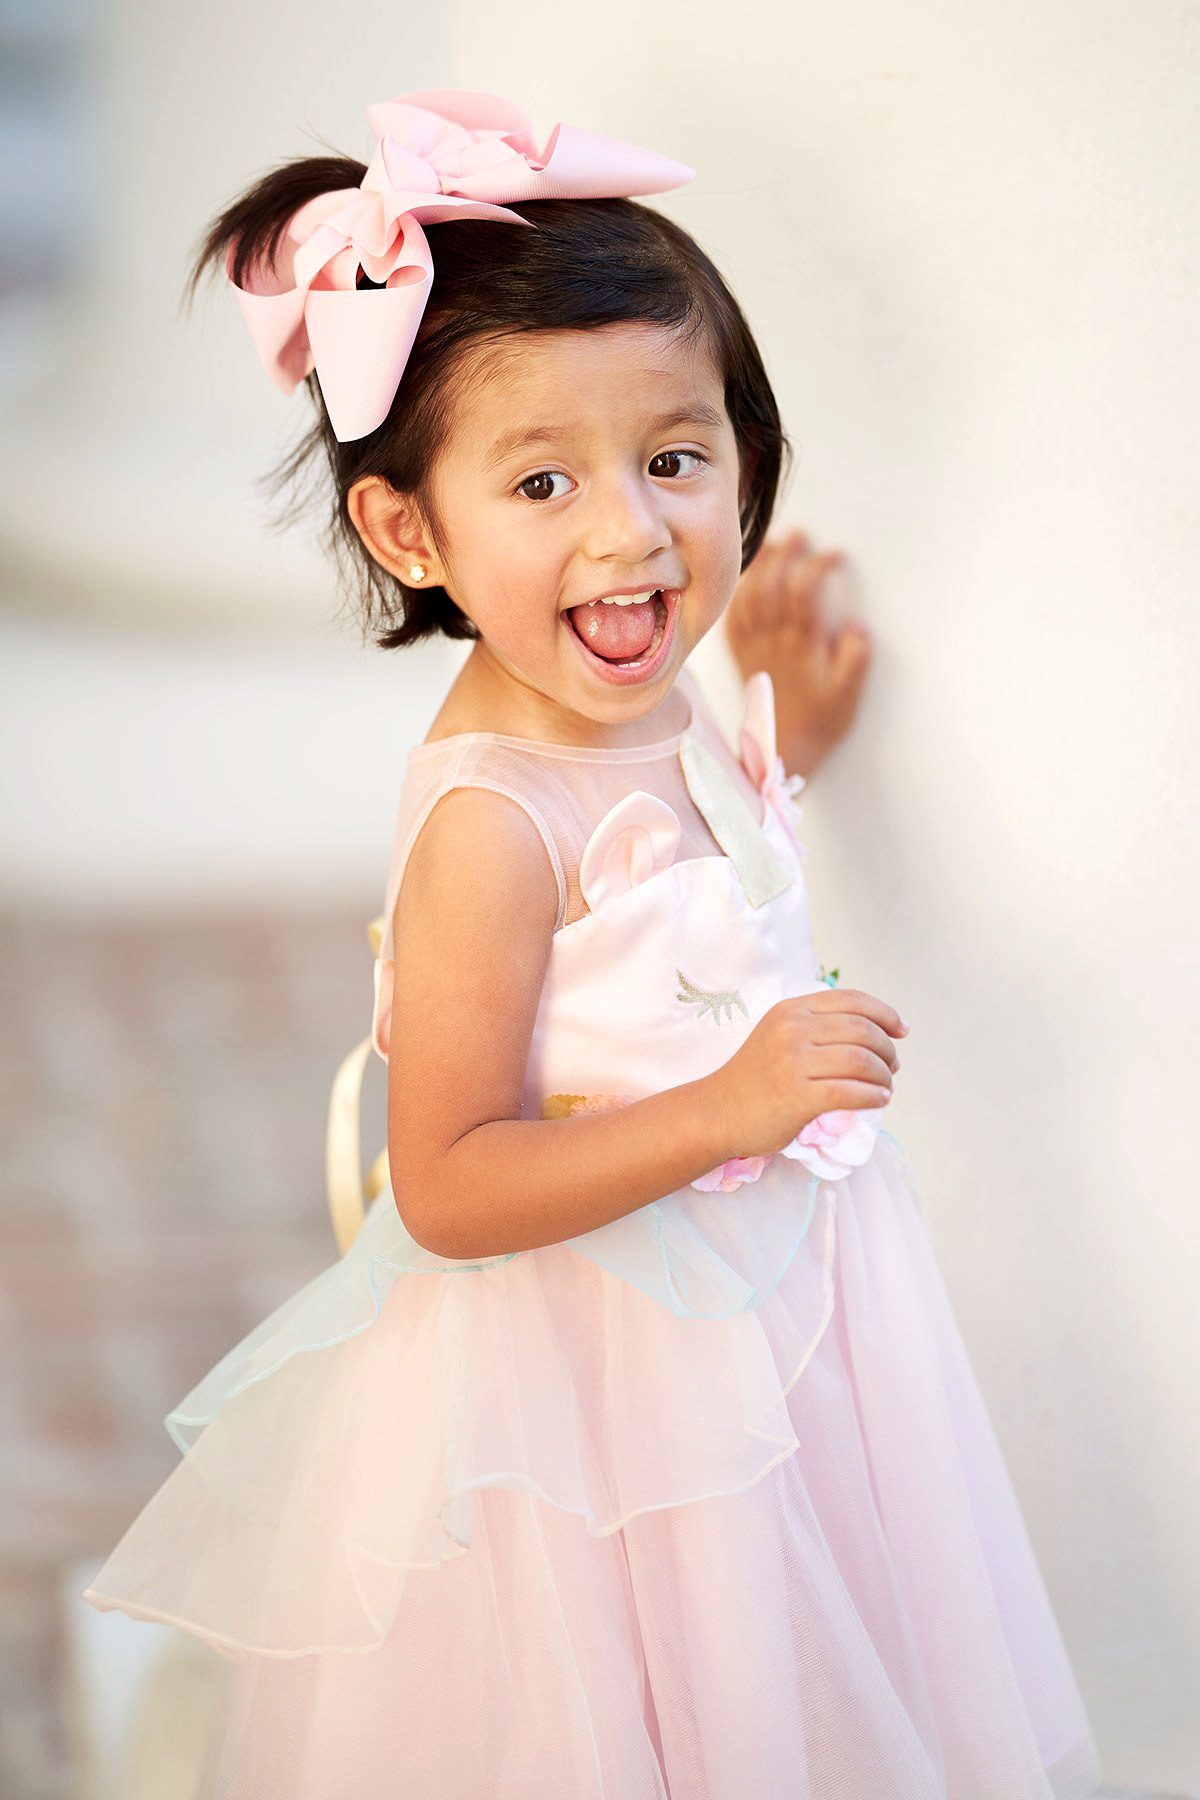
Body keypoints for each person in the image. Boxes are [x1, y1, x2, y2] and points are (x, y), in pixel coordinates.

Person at [81, 88, 1105, 1799]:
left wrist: (791, 743)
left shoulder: (651, 692)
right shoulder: (489, 823)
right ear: (411, 535)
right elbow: (453, 1186)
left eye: (676, 458)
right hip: (598, 1391)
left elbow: (695, 880)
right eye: (543, 479)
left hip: (769, 1333)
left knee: (782, 1671)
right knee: (628, 1704)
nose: (631, 530)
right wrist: (726, 1109)